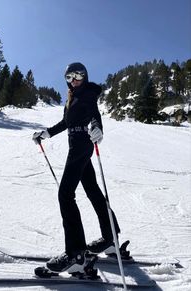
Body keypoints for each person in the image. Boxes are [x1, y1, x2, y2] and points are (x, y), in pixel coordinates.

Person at [32, 62, 120, 274]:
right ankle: (111, 238)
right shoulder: (72, 98)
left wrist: (98, 127)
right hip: (80, 146)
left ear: (85, 77)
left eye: (78, 76)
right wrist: (47, 133)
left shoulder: (87, 94)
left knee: (65, 195)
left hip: (82, 145)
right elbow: (66, 122)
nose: (73, 81)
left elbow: (94, 113)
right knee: (92, 191)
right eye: (69, 77)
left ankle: (75, 254)